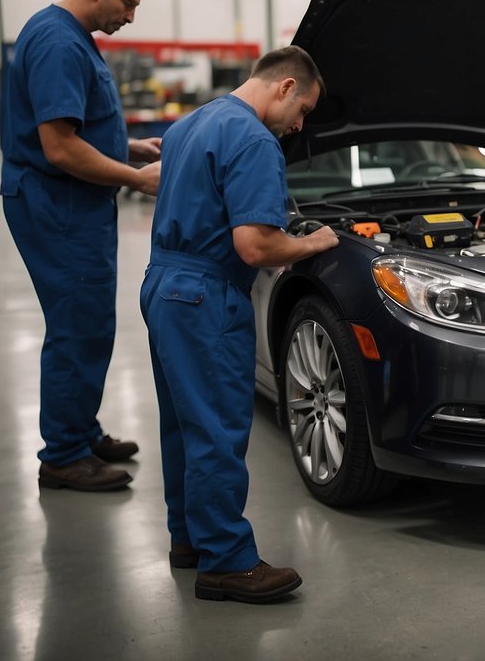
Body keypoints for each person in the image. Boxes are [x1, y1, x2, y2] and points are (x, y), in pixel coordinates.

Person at [140, 45, 339, 604]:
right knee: (217, 431)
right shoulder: (255, 140)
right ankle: (226, 561)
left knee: (183, 423)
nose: (300, 125)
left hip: (163, 286)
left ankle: (189, 541)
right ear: (284, 87)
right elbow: (255, 246)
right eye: (303, 110)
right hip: (207, 296)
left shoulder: (189, 124)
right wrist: (314, 242)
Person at [2, 0, 162, 493]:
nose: (130, 16)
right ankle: (64, 455)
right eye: (128, 2)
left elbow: (79, 129)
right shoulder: (58, 42)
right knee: (79, 323)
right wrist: (138, 178)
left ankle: (80, 427)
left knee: (88, 319)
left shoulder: (70, 36)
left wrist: (128, 146)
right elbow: (60, 149)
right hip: (58, 202)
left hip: (72, 201)